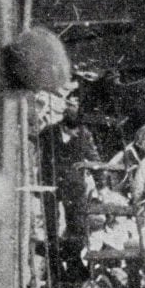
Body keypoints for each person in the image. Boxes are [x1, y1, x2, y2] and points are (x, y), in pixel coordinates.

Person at [37, 89, 100, 259]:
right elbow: (36, 141)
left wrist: (101, 185)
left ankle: (73, 252)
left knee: (76, 221)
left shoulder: (84, 135)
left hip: (74, 185)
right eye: (73, 130)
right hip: (51, 180)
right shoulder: (50, 131)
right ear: (65, 126)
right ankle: (52, 248)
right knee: (50, 218)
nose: (76, 133)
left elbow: (94, 159)